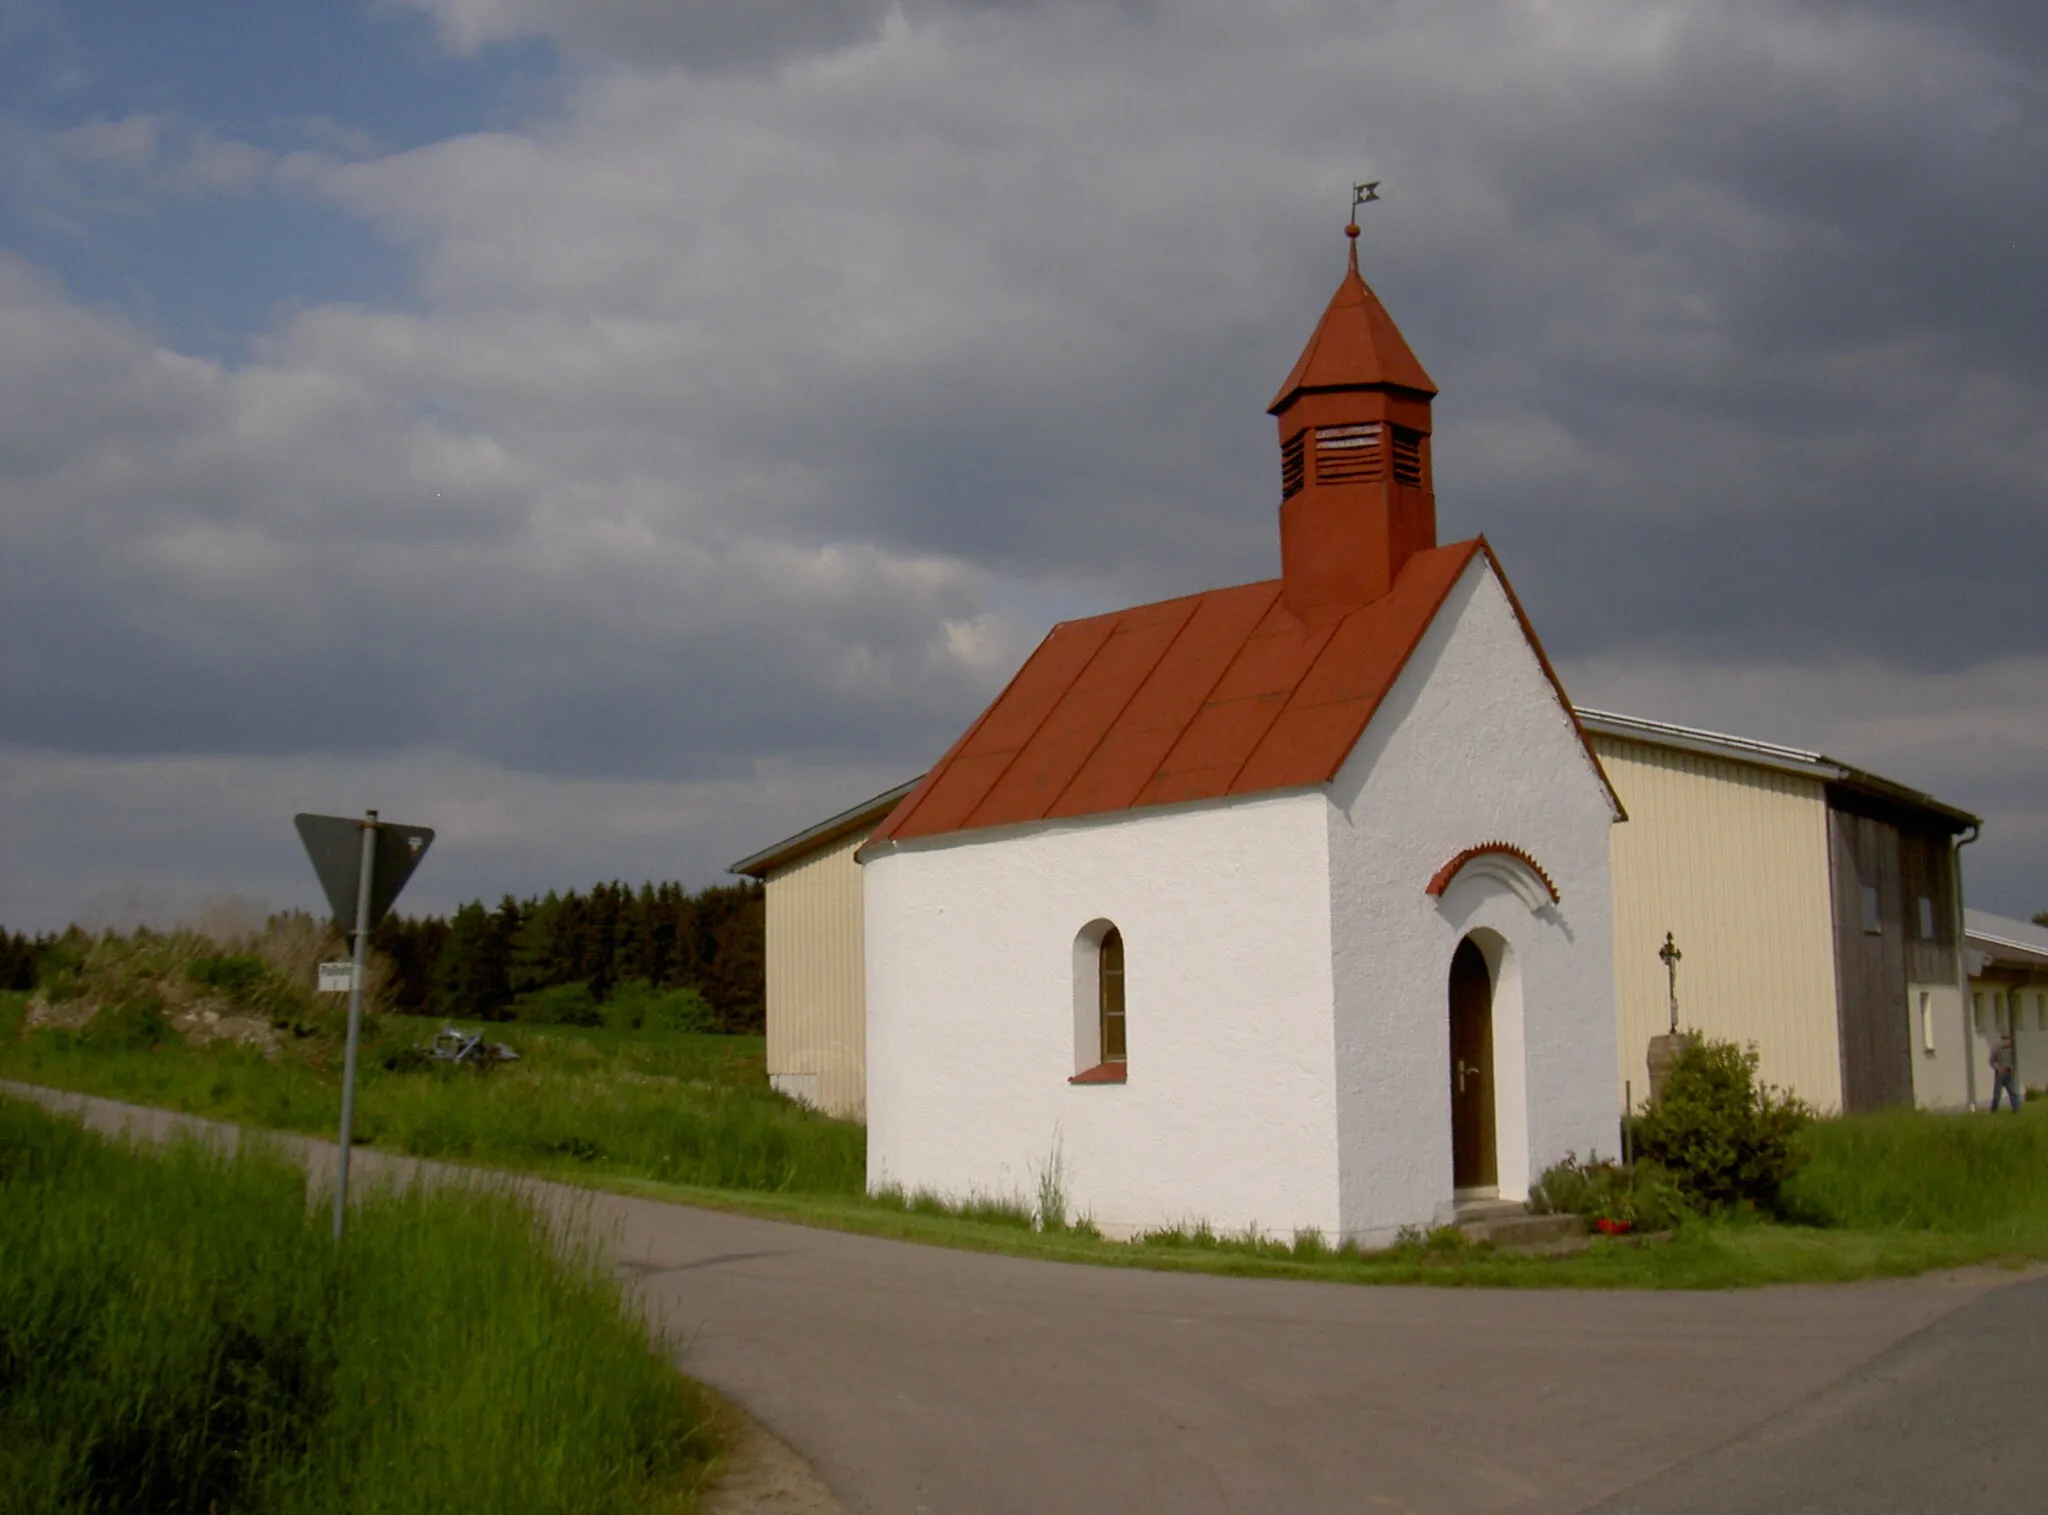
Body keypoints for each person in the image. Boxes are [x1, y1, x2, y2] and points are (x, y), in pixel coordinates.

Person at [1990, 1030, 2022, 1113]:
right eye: (2005, 1039)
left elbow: (2014, 1061)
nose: (2008, 1041)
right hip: (2000, 1074)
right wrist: (1998, 1068)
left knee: (2012, 1092)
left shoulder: (2011, 1049)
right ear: (2002, 1039)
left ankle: (2016, 1110)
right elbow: (1991, 1060)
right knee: (1997, 1094)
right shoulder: (1996, 1048)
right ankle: (1994, 1110)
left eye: (2009, 1039)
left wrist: (2010, 1067)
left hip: (2008, 1073)